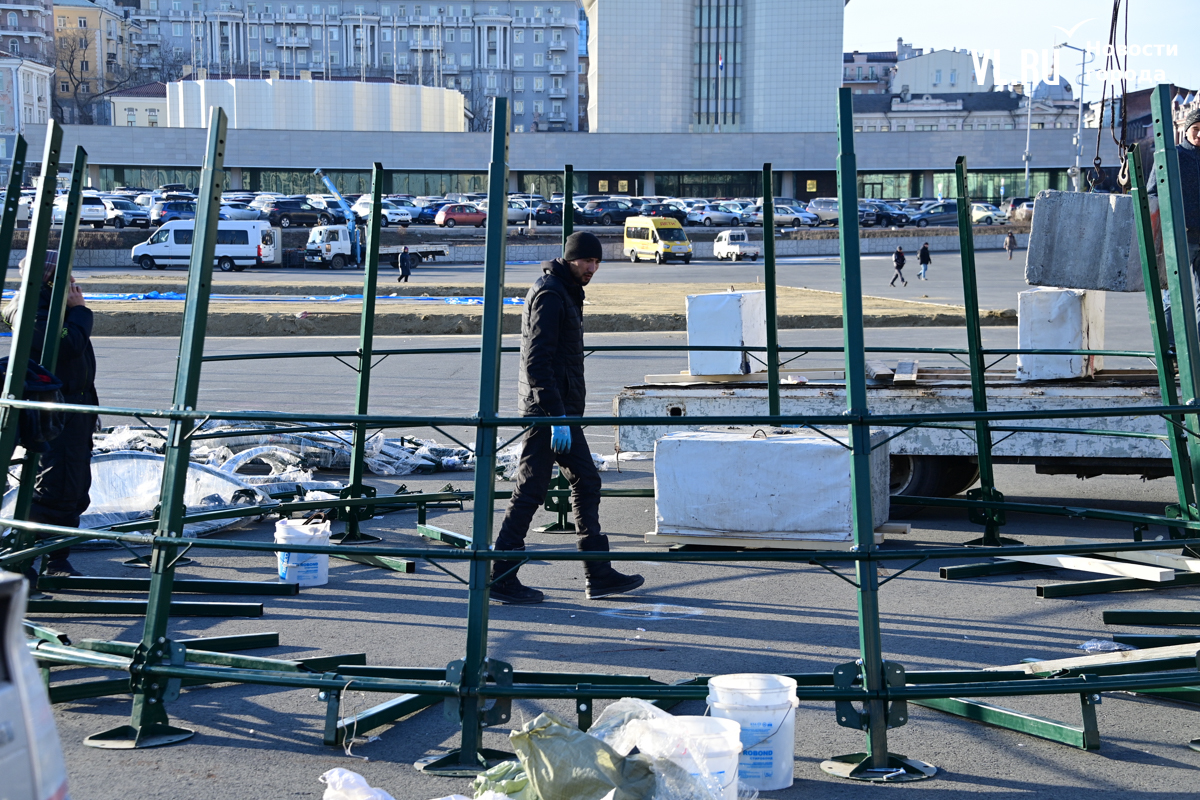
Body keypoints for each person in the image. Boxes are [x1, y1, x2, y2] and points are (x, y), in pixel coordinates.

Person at [491, 231, 644, 605]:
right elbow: (537, 363)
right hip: (547, 412)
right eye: (586, 261)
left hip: (559, 411)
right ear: (570, 259)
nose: (592, 268)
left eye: (597, 262)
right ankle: (501, 575)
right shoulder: (551, 293)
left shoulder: (566, 290)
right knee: (532, 488)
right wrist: (556, 417)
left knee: (585, 480)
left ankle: (597, 571)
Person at [5, 251, 98, 581]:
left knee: (75, 487)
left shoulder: (52, 307)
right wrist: (80, 311)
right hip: (56, 410)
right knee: (53, 486)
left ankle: (56, 557)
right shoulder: (32, 309)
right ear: (48, 279)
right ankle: (26, 558)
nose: (73, 283)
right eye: (65, 276)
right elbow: (67, 345)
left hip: (76, 409)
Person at [1148, 106, 1200, 333]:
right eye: (1196, 128)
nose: (1199, 134)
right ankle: (1170, 345)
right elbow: (1152, 193)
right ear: (1186, 130)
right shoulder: (1172, 156)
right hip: (1180, 237)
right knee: (1173, 294)